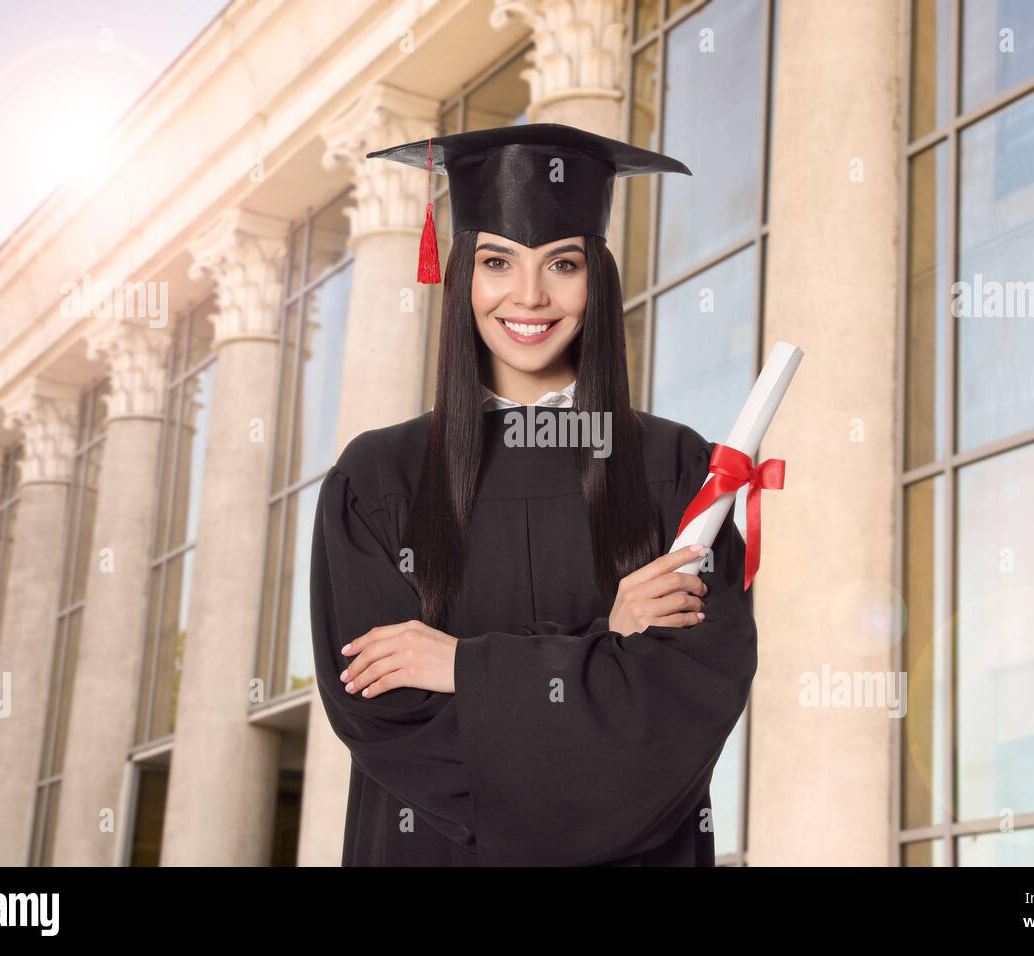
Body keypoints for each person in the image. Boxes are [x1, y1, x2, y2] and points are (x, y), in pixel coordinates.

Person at [309, 123, 758, 866]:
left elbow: (682, 714)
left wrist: (460, 666)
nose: (528, 295)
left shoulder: (677, 469)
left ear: (599, 278)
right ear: (462, 275)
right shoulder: (377, 478)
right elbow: (385, 716)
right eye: (496, 262)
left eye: (563, 264)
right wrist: (604, 650)